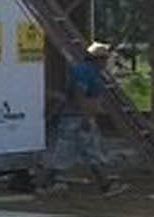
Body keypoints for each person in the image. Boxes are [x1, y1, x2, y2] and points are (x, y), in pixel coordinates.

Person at [45, 42, 124, 194]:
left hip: (74, 116)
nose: (107, 62)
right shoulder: (88, 73)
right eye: (105, 59)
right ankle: (104, 185)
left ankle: (104, 184)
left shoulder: (85, 71)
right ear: (99, 59)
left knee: (75, 151)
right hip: (76, 117)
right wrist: (87, 117)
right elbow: (80, 95)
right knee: (83, 151)